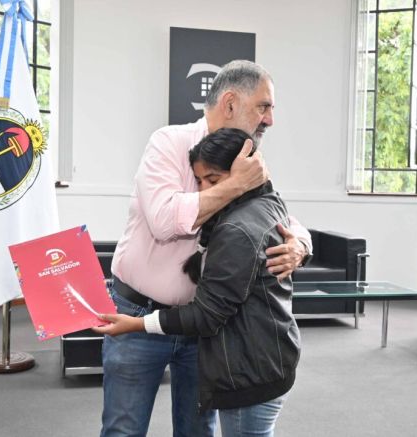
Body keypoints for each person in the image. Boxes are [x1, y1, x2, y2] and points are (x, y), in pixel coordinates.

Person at [100, 60, 311, 437]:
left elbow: (274, 212)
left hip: (206, 327)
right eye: (263, 107)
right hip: (137, 314)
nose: (269, 120)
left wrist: (300, 243)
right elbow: (165, 220)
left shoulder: (247, 160)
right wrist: (234, 184)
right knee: (123, 430)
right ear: (230, 103)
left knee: (198, 431)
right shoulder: (168, 142)